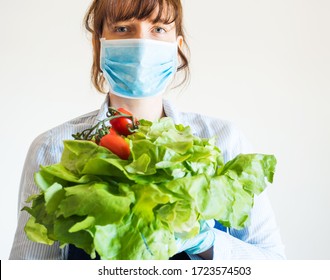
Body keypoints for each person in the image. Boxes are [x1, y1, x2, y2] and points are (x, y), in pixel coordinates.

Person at [9, 0, 285, 260]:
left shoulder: (222, 140)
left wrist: (207, 243)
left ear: (176, 48)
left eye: (158, 29)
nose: (142, 42)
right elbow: (29, 268)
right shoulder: (56, 147)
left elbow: (274, 262)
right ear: (99, 45)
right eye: (122, 28)